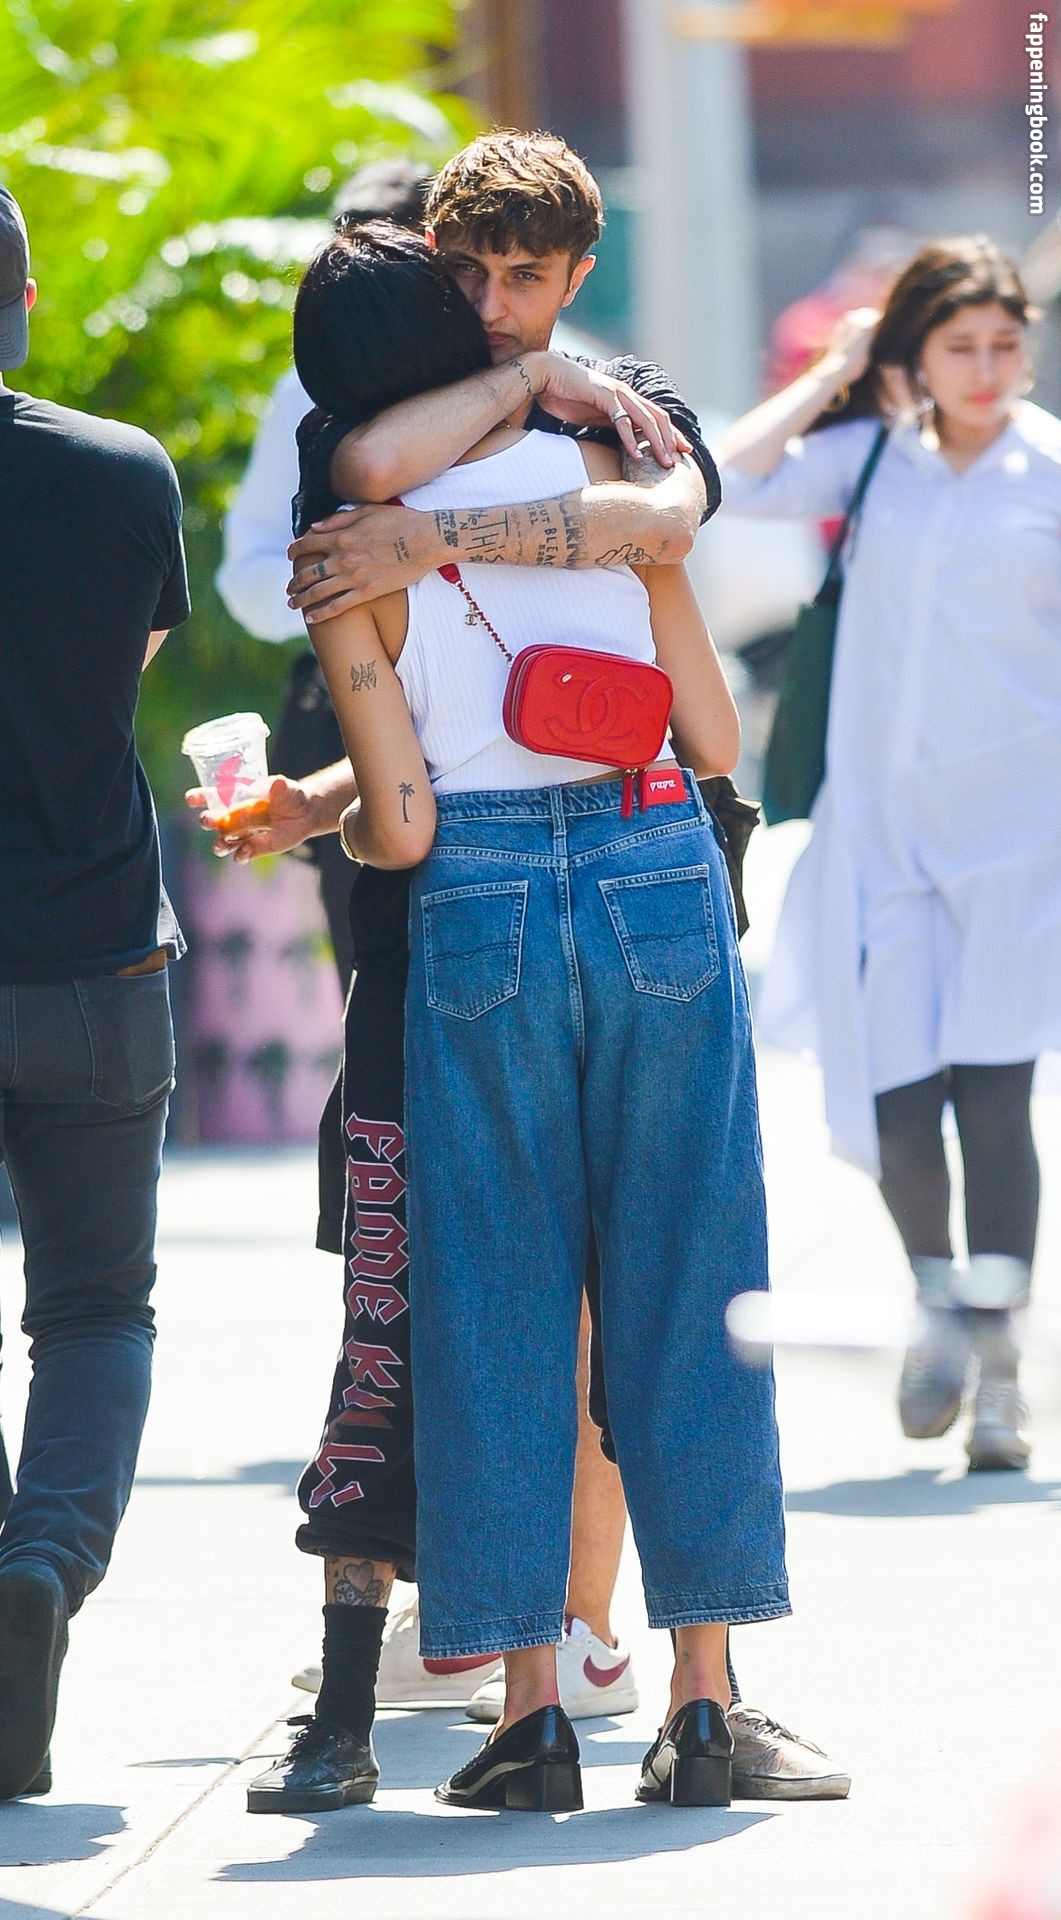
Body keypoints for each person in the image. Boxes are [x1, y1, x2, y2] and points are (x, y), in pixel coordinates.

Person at [236, 134, 847, 1814]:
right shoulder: (613, 457)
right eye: (475, 275)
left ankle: (529, 1722)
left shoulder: (352, 512)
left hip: (479, 903)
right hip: (656, 863)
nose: (499, 304)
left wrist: (354, 787)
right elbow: (707, 717)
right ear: (451, 285)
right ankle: (704, 1703)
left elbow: (406, 825)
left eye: (518, 276)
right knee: (694, 1291)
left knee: (495, 1304)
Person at [718, 235, 1061, 1472]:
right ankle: (934, 1302)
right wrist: (835, 372)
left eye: (1004, 345)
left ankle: (997, 1365)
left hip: (1016, 837)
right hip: (878, 837)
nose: (986, 369)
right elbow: (720, 479)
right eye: (957, 347)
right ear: (912, 353)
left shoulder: (1048, 470)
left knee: (993, 1096)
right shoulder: (866, 457)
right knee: (897, 1101)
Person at [0, 184, 189, 1798]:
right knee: (94, 1310)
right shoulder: (123, 472)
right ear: (25, 300)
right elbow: (119, 668)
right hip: (94, 959)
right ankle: (43, 1566)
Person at [216, 158, 432, 994]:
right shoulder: (301, 391)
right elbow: (246, 575)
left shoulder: (519, 381)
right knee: (375, 985)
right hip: (348, 724)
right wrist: (349, 590)